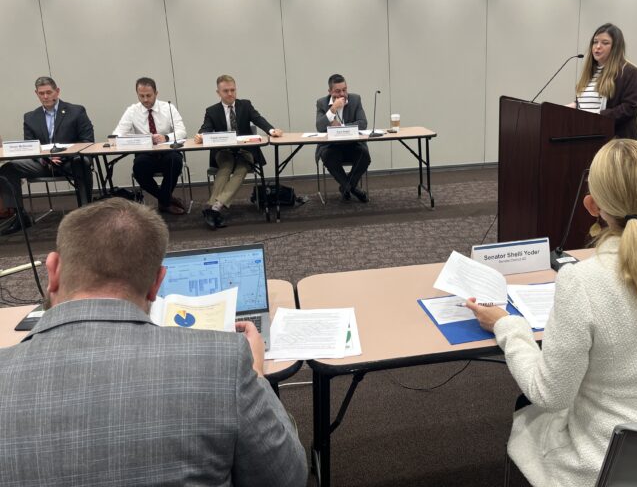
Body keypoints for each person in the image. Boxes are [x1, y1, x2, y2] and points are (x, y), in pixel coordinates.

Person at [467, 139, 637, 486]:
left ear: (592, 206)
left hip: (601, 465)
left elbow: (551, 395)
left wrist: (508, 327)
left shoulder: (581, 281)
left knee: (532, 420)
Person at [0, 198, 307, 486]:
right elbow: (287, 477)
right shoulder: (224, 361)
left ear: (52, 270)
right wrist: (256, 374)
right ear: (157, 284)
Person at [0, 76, 94, 235]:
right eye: (41, 93)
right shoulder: (30, 117)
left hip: (70, 161)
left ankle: (85, 214)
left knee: (82, 162)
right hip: (43, 163)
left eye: (49, 92)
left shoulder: (76, 111)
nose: (45, 97)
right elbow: (30, 147)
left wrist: (64, 155)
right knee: (9, 168)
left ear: (57, 91)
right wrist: (44, 159)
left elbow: (87, 140)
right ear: (36, 94)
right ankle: (20, 216)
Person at [195, 75, 284, 230]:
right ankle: (214, 208)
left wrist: (271, 130)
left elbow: (258, 119)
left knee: (242, 169)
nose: (230, 94)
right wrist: (201, 134)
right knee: (225, 168)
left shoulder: (245, 105)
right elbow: (206, 127)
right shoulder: (212, 111)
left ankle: (213, 207)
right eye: (226, 91)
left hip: (245, 150)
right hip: (224, 151)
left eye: (233, 90)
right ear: (218, 93)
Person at [113, 77, 187, 214]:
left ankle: (164, 201)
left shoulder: (168, 107)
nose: (145, 99)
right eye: (141, 96)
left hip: (166, 150)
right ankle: (166, 200)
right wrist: (137, 139)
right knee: (139, 168)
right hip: (145, 153)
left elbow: (182, 131)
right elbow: (117, 134)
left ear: (156, 93)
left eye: (149, 95)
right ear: (137, 94)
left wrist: (165, 137)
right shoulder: (132, 111)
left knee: (175, 161)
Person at [571, 23, 637, 139]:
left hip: (615, 141)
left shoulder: (630, 72)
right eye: (595, 42)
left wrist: (597, 118)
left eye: (605, 43)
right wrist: (571, 108)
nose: (598, 46)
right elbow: (585, 103)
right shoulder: (590, 72)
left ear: (616, 47)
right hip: (586, 136)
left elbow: (629, 108)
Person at [315, 74, 371, 202]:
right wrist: (333, 109)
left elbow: (363, 123)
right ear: (330, 91)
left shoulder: (355, 99)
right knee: (328, 157)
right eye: (338, 91)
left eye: (344, 90)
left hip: (352, 144)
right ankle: (351, 188)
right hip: (332, 146)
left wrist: (342, 127)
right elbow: (319, 127)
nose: (342, 94)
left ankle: (346, 187)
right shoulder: (322, 103)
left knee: (364, 155)